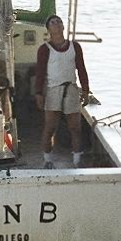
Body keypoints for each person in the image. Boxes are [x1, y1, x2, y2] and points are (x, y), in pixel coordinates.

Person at [34, 15, 90, 168]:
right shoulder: (44, 49)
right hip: (54, 90)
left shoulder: (75, 47)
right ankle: (47, 159)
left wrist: (85, 90)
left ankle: (77, 160)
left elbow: (81, 69)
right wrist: (38, 93)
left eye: (59, 21)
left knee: (75, 127)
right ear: (48, 29)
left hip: (71, 88)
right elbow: (40, 73)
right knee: (50, 127)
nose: (57, 24)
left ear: (63, 27)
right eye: (52, 22)